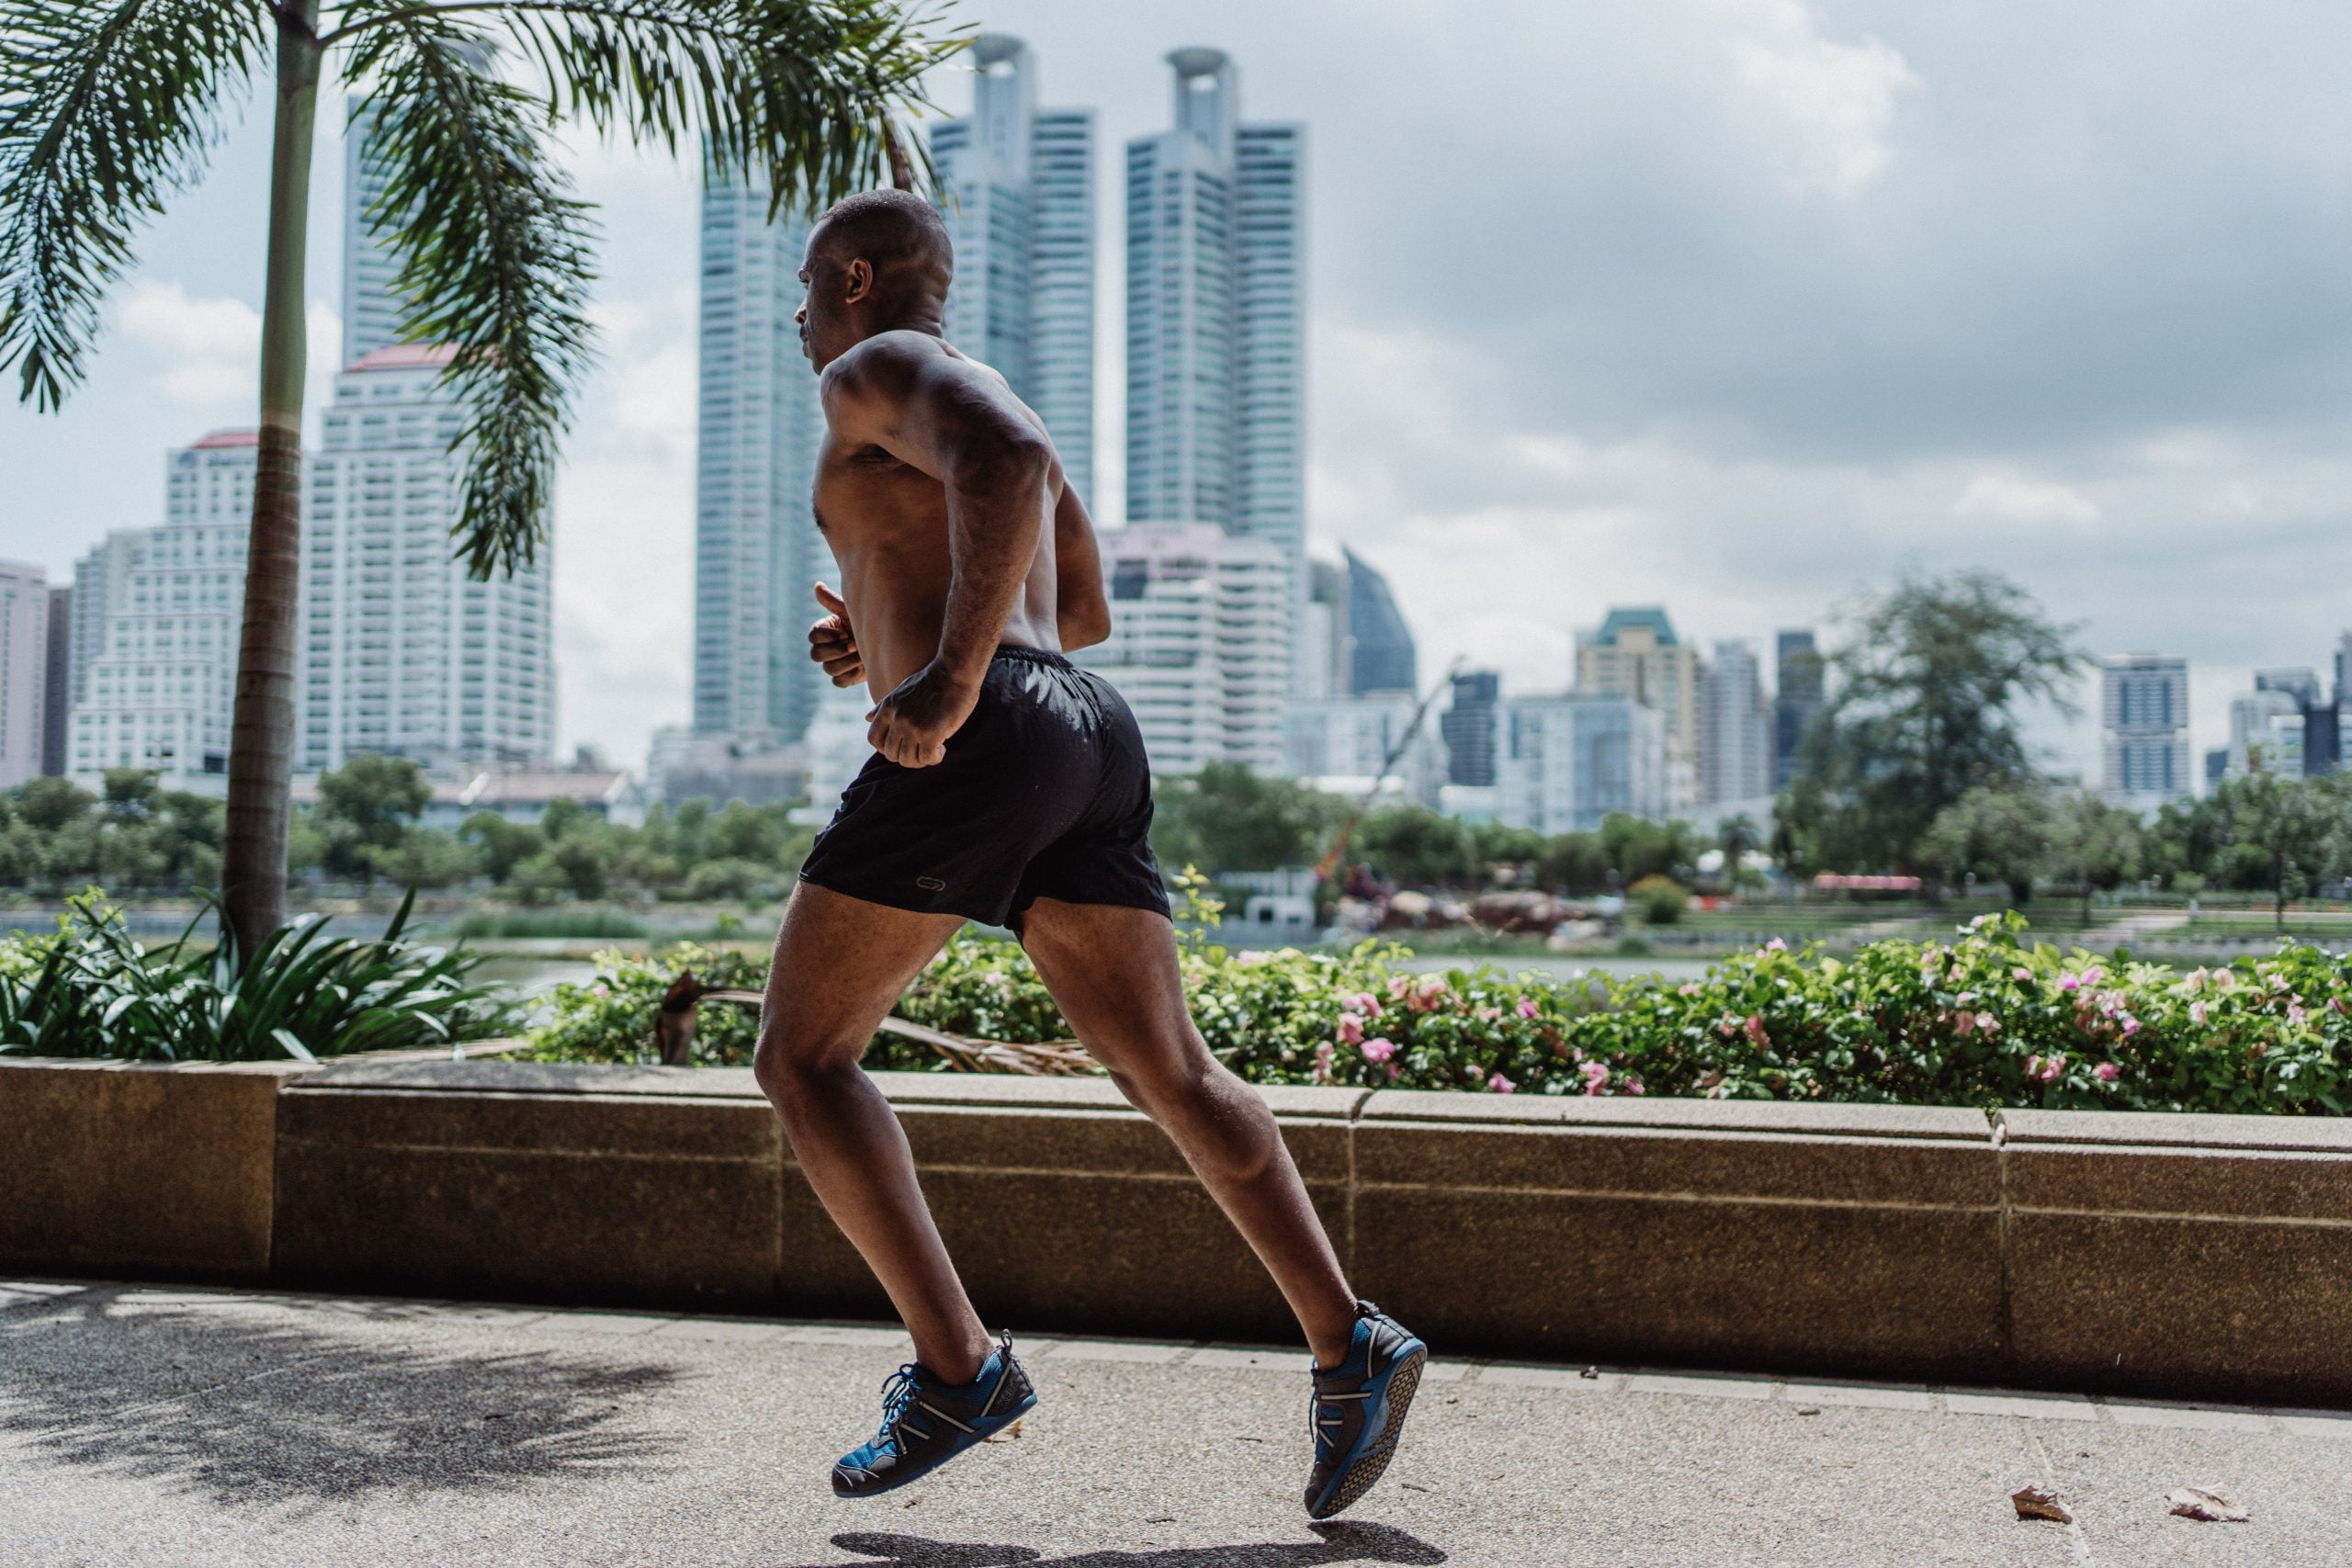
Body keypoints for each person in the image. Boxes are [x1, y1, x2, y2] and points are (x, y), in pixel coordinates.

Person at [752, 188, 1425, 1521]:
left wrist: (940, 678)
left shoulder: (871, 368)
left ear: (861, 280)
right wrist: (888, 642)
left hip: (994, 725)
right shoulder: (986, 387)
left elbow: (993, 469)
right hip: (1086, 732)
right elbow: (1090, 610)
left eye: (808, 287)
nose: (795, 316)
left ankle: (958, 1372)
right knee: (1172, 1071)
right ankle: (1351, 1342)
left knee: (803, 1054)